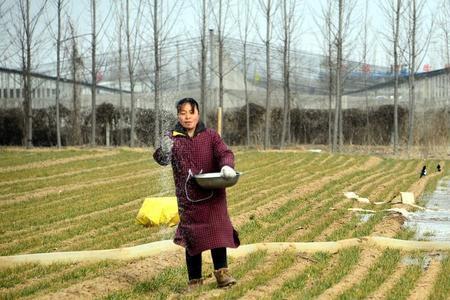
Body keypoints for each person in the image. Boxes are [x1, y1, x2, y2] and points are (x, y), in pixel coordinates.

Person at [153, 97, 239, 289]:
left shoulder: (211, 136)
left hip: (213, 195)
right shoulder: (172, 138)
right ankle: (194, 281)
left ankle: (222, 274)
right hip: (188, 198)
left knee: (217, 231)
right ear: (178, 116)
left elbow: (224, 153)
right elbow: (161, 159)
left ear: (198, 114)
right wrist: (164, 150)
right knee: (192, 238)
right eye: (182, 113)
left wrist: (226, 167)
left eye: (191, 112)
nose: (187, 117)